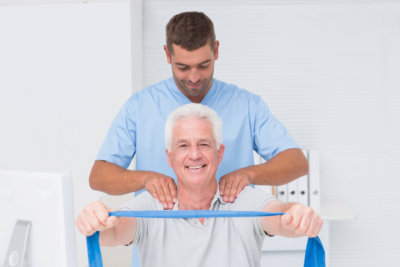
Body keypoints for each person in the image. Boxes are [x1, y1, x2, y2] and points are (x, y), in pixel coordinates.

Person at [89, 11, 308, 210]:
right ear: (167, 54)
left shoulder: (247, 105)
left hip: (231, 245)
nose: (194, 78)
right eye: (182, 67)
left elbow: (296, 163)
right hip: (157, 248)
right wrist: (145, 179)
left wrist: (248, 175)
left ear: (216, 50)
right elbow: (99, 176)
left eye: (204, 65)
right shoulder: (139, 107)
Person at [76, 104, 322, 267]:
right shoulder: (150, 205)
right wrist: (96, 221)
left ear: (220, 153)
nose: (194, 155)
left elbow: (280, 217)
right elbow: (113, 232)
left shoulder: (245, 201)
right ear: (170, 157)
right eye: (183, 146)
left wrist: (296, 215)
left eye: (204, 144)